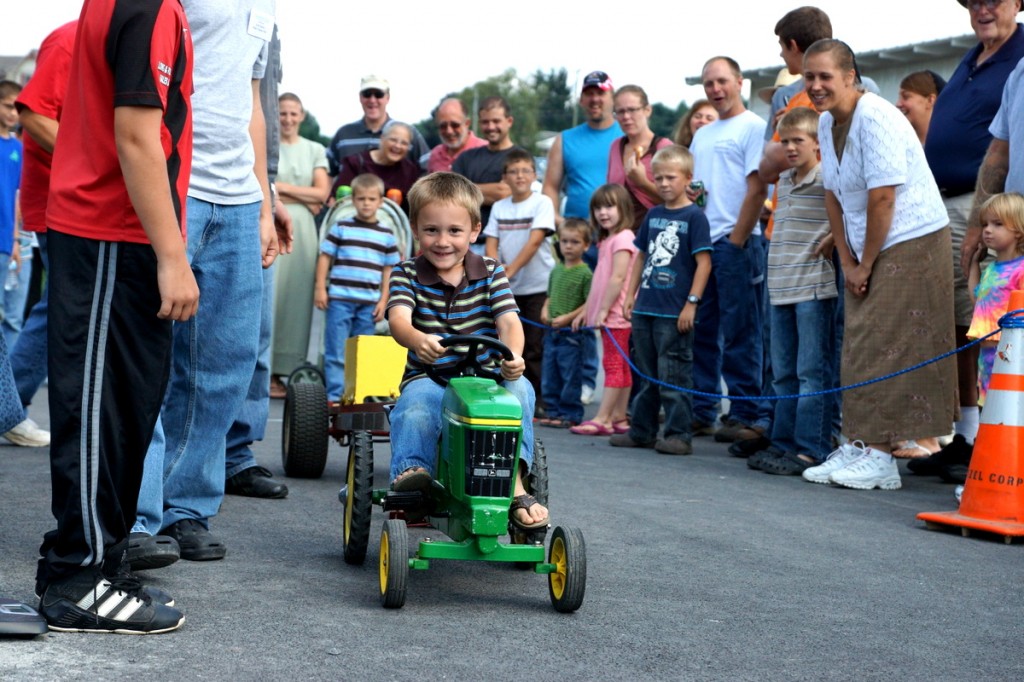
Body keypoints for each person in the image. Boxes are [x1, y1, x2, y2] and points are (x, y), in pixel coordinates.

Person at [36, 0, 196, 633]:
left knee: (125, 407)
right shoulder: (147, 4)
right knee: (100, 409)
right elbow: (135, 134)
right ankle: (80, 575)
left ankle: (93, 561)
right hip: (111, 231)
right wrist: (173, 254)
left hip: (118, 232)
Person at [132, 0, 284, 563]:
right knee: (151, 354)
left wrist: (265, 203)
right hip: (177, 183)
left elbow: (252, 105)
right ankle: (138, 516)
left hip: (239, 199)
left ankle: (185, 507)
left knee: (226, 363)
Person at [799, 39, 957, 492]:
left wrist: (863, 263)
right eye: (809, 77)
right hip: (867, 244)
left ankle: (883, 455)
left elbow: (883, 196)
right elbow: (831, 193)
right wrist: (846, 259)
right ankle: (862, 441)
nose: (816, 85)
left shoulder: (877, 116)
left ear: (850, 76)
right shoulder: (827, 122)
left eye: (825, 76)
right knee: (860, 343)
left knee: (889, 342)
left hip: (910, 239)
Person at [385, 172, 548, 531]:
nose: (443, 241)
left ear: (474, 230)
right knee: (416, 404)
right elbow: (398, 318)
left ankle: (515, 485)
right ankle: (413, 475)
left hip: (487, 379)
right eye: (432, 230)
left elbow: (508, 322)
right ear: (415, 229)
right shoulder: (406, 273)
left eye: (454, 231)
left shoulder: (490, 272)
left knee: (520, 392)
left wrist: (513, 357)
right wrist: (416, 339)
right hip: (433, 376)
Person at [918, 0, 1024, 475]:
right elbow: (997, 150)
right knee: (975, 324)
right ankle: (972, 435)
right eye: (973, 1)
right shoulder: (988, 60)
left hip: (998, 216)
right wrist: (983, 223)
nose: (982, 9)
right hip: (986, 212)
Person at [746, 107, 838, 475]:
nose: (790, 147)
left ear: (818, 143)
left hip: (813, 287)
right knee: (782, 372)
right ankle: (781, 443)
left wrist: (834, 237)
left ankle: (811, 447)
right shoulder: (782, 180)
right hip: (781, 286)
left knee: (811, 371)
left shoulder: (826, 176)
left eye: (798, 140)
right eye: (784, 141)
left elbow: (848, 212)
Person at [223, 23, 292, 502]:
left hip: (256, 190)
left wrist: (270, 192)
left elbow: (261, 112)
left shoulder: (266, 21)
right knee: (203, 343)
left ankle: (235, 455)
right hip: (207, 184)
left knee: (254, 338)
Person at [2, 21, 76, 449]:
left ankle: (9, 407)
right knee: (60, 309)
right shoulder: (68, 39)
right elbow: (35, 114)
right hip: (62, 204)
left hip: (75, 202)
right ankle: (8, 409)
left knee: (59, 308)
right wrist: (97, 163)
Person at [689, 57, 771, 443]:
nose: (715, 89)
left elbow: (758, 188)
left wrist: (737, 240)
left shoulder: (754, 126)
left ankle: (743, 411)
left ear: (740, 82)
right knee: (703, 331)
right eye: (709, 83)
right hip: (704, 246)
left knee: (743, 332)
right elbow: (700, 186)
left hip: (737, 242)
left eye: (722, 81)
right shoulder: (703, 133)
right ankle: (703, 409)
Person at [610, 145, 712, 456]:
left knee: (674, 374)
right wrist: (630, 295)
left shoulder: (695, 217)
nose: (664, 184)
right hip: (646, 307)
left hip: (675, 311)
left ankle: (679, 434)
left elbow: (704, 263)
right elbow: (641, 256)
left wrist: (691, 303)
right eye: (659, 178)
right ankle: (642, 430)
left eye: (671, 177)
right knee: (646, 375)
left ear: (687, 179)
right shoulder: (653, 215)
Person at [540, 69, 620, 406]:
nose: (595, 99)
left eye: (600, 93)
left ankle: (603, 386)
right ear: (582, 98)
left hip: (612, 238)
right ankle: (574, 383)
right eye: (589, 93)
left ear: (610, 96)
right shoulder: (567, 138)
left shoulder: (622, 133)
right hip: (576, 239)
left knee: (608, 313)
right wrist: (560, 224)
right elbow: (550, 187)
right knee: (573, 312)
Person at [314, 173, 399, 402]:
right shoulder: (341, 227)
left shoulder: (386, 235)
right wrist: (320, 288)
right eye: (361, 199)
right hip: (340, 298)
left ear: (380, 202)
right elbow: (325, 257)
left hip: (369, 302)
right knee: (337, 348)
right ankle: (335, 394)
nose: (366, 204)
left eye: (372, 199)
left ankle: (358, 394)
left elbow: (388, 270)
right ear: (353, 200)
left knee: (363, 350)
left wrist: (384, 300)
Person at [483, 149, 556, 407]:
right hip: (507, 288)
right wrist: (495, 270)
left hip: (536, 286)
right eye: (513, 171)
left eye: (525, 170)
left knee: (535, 344)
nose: (520, 176)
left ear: (534, 175)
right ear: (505, 177)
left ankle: (535, 399)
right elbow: (491, 242)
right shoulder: (499, 207)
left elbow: (535, 240)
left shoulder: (542, 202)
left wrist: (509, 270)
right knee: (506, 342)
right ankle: (505, 393)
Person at [269, 92, 329, 398]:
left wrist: (279, 189)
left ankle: (287, 369)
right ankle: (263, 369)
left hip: (304, 231)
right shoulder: (267, 144)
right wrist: (298, 195)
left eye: (294, 113)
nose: (288, 119)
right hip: (270, 224)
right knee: (271, 295)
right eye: (282, 113)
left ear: (302, 116)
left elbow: (322, 194)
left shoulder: (315, 149)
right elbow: (260, 188)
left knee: (296, 299)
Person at [569, 184, 638, 437]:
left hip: (617, 315)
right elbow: (601, 281)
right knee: (620, 365)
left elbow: (618, 278)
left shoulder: (623, 238)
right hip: (611, 314)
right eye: (598, 207)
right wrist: (586, 311)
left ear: (623, 209)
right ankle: (619, 416)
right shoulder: (608, 240)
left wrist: (603, 311)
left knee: (613, 365)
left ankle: (604, 418)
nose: (603, 212)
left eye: (609, 206)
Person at [967, 193, 1024, 403]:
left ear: (1017, 230)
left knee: (1011, 408)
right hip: (987, 356)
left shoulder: (1021, 268)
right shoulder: (991, 268)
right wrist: (974, 266)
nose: (987, 230)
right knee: (990, 409)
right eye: (985, 224)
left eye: (997, 224)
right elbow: (979, 302)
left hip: (1012, 354)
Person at [538, 219, 592, 428]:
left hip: (571, 334)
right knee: (550, 373)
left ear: (586, 245)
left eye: (575, 242)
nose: (568, 246)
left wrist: (568, 317)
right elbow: (550, 295)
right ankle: (552, 411)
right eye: (564, 241)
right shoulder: (556, 269)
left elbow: (589, 303)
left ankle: (569, 413)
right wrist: (545, 309)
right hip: (551, 332)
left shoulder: (585, 273)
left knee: (570, 375)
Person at [452, 96, 522, 254]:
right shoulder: (466, 158)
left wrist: (468, 189)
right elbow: (454, 196)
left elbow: (505, 194)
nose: (491, 127)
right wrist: (495, 191)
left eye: (496, 121)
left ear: (509, 121)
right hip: (466, 244)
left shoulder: (519, 158)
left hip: (506, 245)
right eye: (485, 122)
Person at [326, 75, 430, 174]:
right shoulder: (343, 135)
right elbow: (327, 173)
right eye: (367, 94)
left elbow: (428, 170)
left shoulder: (408, 133)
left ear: (387, 98)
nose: (372, 100)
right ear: (360, 97)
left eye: (378, 94)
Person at [606, 85, 672, 231]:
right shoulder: (616, 147)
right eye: (620, 112)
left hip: (655, 233)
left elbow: (676, 201)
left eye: (632, 110)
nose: (626, 117)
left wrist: (642, 183)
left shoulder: (664, 148)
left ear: (647, 110)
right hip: (619, 235)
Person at [330, 121, 422, 214]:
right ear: (382, 139)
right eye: (393, 140)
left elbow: (413, 210)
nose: (398, 146)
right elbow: (337, 201)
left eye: (404, 143)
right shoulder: (355, 163)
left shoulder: (410, 170)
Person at [0, 81, 22, 349]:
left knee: (6, 314)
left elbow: (16, 195)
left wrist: (16, 240)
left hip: (6, 241)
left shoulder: (18, 148)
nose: (14, 113)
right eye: (7, 106)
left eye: (17, 108)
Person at [426, 97, 486, 173]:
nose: (449, 131)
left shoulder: (484, 151)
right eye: (443, 126)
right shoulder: (435, 155)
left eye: (455, 125)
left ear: (467, 123)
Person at [897, 71, 946, 145]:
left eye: (906, 97)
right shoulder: (898, 145)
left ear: (930, 100)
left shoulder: (950, 147)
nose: (898, 104)